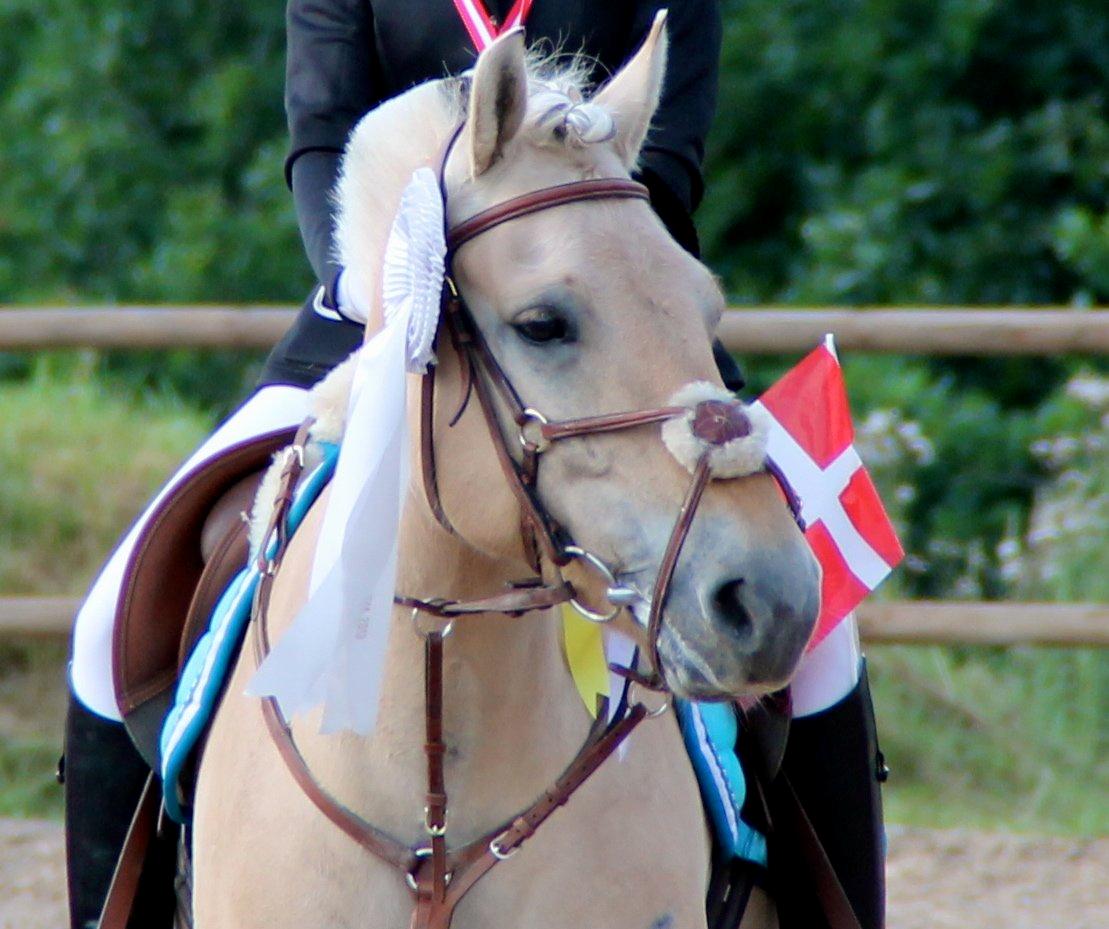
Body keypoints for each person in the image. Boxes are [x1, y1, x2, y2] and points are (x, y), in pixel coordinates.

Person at [63, 4, 885, 928]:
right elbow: (321, 135)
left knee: (818, 641)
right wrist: (394, 294)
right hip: (374, 322)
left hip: (603, 330)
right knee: (106, 627)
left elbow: (668, 166)